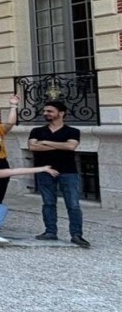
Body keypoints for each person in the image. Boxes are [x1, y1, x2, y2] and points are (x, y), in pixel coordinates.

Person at [28, 100, 88, 248]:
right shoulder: (36, 131)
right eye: (45, 111)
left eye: (49, 111)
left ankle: (76, 234)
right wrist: (59, 145)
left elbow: (71, 146)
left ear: (61, 113)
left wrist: (45, 143)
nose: (45, 113)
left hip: (68, 171)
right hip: (44, 170)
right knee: (48, 203)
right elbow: (32, 147)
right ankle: (50, 231)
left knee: (73, 204)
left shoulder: (73, 131)